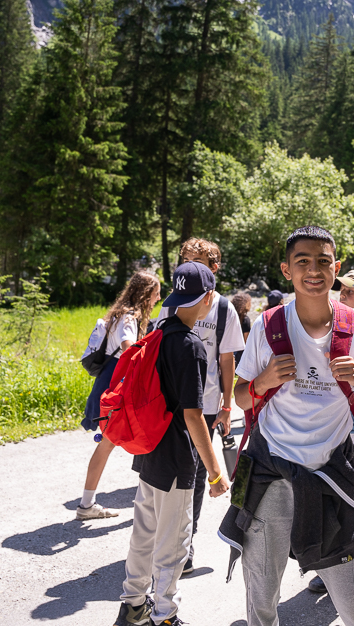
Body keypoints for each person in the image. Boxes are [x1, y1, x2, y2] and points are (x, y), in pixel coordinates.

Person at [222, 226, 354, 626]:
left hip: (329, 476)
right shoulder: (269, 325)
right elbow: (241, 397)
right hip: (270, 473)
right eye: (302, 262)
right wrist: (262, 382)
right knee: (261, 593)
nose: (314, 270)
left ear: (337, 268)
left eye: (323, 261)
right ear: (286, 270)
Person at [115, 261, 230, 626]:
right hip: (178, 458)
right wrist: (215, 472)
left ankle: (133, 606)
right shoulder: (191, 346)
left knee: (144, 534)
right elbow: (194, 417)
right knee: (174, 543)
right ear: (209, 298)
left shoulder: (160, 331)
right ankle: (166, 615)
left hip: (150, 452)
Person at [151, 239, 245, 573]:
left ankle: (185, 543)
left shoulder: (223, 309)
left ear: (214, 269)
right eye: (186, 260)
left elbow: (226, 356)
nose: (188, 266)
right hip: (167, 402)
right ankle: (160, 538)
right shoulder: (170, 303)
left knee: (196, 473)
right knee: (162, 471)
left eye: (198, 261)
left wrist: (226, 403)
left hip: (203, 403)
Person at [308, 269, 354, 595]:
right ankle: (333, 564)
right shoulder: (326, 326)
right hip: (328, 431)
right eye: (341, 290)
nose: (342, 296)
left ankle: (350, 565)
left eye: (351, 292)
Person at [78, 270, 160, 520]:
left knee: (108, 445)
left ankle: (87, 504)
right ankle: (151, 505)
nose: (158, 299)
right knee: (119, 442)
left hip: (108, 384)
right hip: (116, 388)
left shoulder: (119, 313)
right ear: (146, 294)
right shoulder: (129, 317)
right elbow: (129, 351)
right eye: (156, 294)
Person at [229, 292, 253, 364]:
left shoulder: (229, 316)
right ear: (245, 304)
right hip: (239, 355)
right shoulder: (245, 320)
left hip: (228, 350)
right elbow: (246, 341)